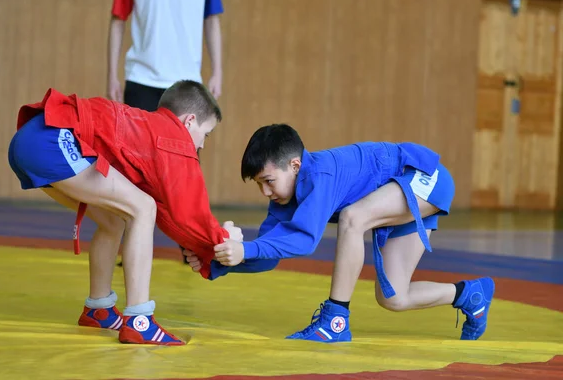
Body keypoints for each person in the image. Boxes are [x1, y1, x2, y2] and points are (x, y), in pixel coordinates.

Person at [185, 124, 495, 343]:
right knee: (394, 298)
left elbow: (305, 240)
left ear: (295, 165)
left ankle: (335, 321)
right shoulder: (284, 197)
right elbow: (269, 253)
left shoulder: (320, 174)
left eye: (268, 180)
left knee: (353, 217)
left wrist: (245, 250)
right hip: (399, 191)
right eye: (258, 184)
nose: (265, 191)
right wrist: (218, 263)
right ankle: (471, 296)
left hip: (424, 177)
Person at [7, 80, 242, 346]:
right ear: (188, 121)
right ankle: (139, 321)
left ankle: (99, 309)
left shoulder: (149, 129)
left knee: (115, 219)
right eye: (206, 134)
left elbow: (171, 214)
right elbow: (189, 214)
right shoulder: (172, 137)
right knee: (142, 208)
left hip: (32, 138)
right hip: (51, 140)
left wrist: (204, 247)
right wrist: (223, 239)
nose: (201, 146)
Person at [107, 0, 224, 266]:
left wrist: (218, 70)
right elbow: (118, 19)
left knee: (186, 170)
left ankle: (192, 245)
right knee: (131, 168)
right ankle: (129, 241)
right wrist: (112, 74)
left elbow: (212, 19)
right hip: (141, 78)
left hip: (186, 80)